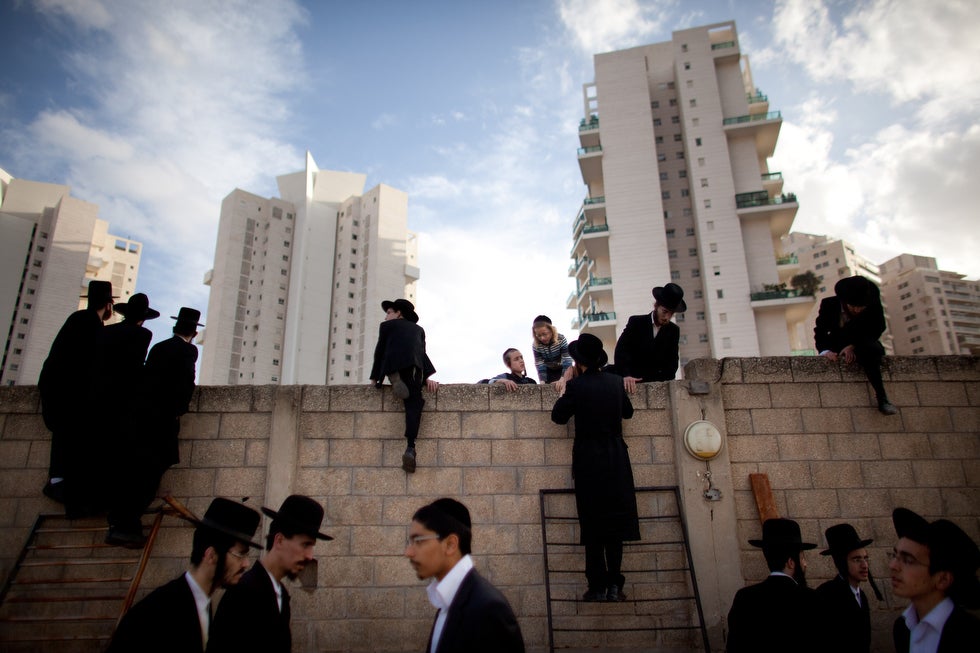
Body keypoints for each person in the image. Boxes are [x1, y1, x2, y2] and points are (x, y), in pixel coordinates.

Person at [106, 497, 261, 653]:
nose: (246, 564)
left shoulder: (202, 605)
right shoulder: (157, 611)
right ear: (211, 555)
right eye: (240, 555)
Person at [550, 333, 639, 602]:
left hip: (589, 460)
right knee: (615, 524)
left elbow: (558, 416)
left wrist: (567, 387)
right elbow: (628, 412)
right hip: (616, 458)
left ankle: (597, 586)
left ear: (579, 362)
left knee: (593, 524)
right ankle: (615, 585)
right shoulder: (614, 383)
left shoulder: (578, 386)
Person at [104, 307, 202, 548]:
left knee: (134, 473)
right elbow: (185, 384)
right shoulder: (188, 350)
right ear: (194, 332)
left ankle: (120, 523)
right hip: (160, 423)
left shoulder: (159, 347)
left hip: (138, 420)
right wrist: (179, 409)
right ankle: (127, 526)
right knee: (148, 476)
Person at [208, 495, 333, 653]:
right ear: (279, 540)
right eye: (305, 544)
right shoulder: (243, 593)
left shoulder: (281, 595)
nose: (309, 556)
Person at [405, 498, 525, 653]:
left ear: (450, 544)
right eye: (409, 542)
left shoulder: (488, 609)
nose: (408, 552)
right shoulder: (447, 602)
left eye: (418, 541)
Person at [38, 279, 115, 514]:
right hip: (69, 395)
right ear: (108, 305)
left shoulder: (80, 320)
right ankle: (61, 485)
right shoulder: (89, 322)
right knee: (73, 441)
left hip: (63, 391)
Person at [96, 293, 159, 547]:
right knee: (133, 470)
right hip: (126, 409)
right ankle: (123, 525)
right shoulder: (142, 336)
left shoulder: (106, 333)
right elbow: (135, 369)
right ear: (143, 319)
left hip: (100, 406)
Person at [889, 507, 980, 653]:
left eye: (908, 560)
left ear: (943, 579)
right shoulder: (903, 628)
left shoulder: (971, 635)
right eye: (894, 555)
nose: (893, 565)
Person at [726, 517, 818, 653]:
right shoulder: (810, 598)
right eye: (803, 558)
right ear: (791, 562)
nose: (805, 564)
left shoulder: (745, 597)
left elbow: (734, 646)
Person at [369, 298, 438, 473]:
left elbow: (379, 352)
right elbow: (422, 354)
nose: (386, 317)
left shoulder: (387, 327)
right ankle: (410, 446)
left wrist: (375, 378)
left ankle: (393, 375)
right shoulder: (419, 330)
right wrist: (426, 378)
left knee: (389, 356)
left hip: (393, 363)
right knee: (414, 404)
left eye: (389, 312)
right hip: (414, 369)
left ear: (398, 313)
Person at [815, 275, 897, 415]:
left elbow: (879, 327)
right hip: (838, 344)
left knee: (871, 350)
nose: (858, 310)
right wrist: (825, 351)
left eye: (861, 307)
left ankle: (882, 398)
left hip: (863, 342)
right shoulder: (829, 305)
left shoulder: (872, 304)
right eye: (854, 307)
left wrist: (853, 345)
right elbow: (820, 331)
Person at [814, 523, 882, 653]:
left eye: (865, 558)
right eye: (856, 559)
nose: (864, 565)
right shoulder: (826, 595)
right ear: (841, 561)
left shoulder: (862, 596)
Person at [609, 283, 685, 393]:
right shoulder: (636, 322)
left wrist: (661, 383)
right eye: (664, 312)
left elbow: (672, 362)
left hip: (657, 387)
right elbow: (621, 350)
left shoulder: (673, 331)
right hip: (631, 383)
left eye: (671, 314)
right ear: (656, 306)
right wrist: (626, 375)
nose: (667, 317)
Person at [530, 315, 573, 384]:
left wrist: (563, 378)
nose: (542, 338)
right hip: (549, 371)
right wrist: (542, 381)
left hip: (562, 368)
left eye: (545, 334)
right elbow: (540, 364)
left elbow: (567, 360)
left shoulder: (561, 339)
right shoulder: (536, 345)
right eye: (539, 335)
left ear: (551, 330)